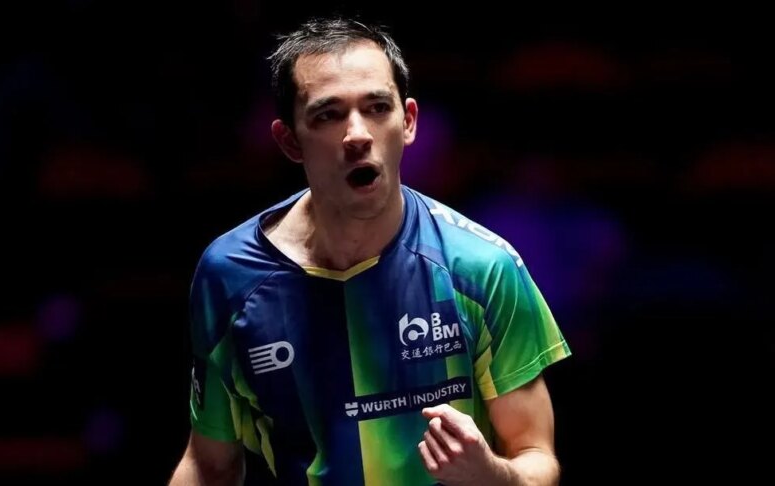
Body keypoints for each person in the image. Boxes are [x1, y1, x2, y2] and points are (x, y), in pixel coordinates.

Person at [169, 17, 570, 486]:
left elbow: (536, 457)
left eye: (377, 107)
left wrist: (491, 474)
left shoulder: (482, 268)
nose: (357, 134)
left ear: (409, 121)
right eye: (328, 114)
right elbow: (209, 464)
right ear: (289, 140)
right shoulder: (231, 276)